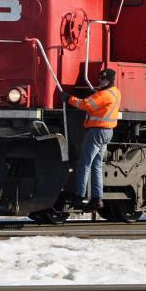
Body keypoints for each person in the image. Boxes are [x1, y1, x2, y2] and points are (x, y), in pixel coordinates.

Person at [54, 68, 121, 213]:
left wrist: (68, 98)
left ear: (109, 80)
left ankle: (78, 195)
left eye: (103, 79)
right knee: (96, 165)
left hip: (96, 132)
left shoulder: (104, 95)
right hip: (106, 132)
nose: (100, 81)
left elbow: (86, 104)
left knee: (84, 163)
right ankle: (97, 198)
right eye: (100, 78)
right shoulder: (115, 92)